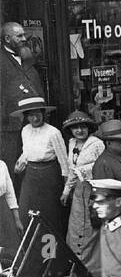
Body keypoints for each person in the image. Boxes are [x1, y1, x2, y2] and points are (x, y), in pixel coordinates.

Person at [13, 95, 68, 231]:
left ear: (43, 114)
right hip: (30, 175)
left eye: (38, 114)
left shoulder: (53, 132)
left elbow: (64, 162)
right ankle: (31, 248)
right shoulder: (25, 131)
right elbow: (27, 151)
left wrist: (67, 189)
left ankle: (52, 249)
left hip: (49, 175)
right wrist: (20, 163)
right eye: (31, 116)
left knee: (49, 213)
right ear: (26, 116)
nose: (35, 118)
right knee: (27, 210)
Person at [1, 21, 45, 176]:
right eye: (19, 36)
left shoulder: (27, 57)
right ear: (7, 39)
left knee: (34, 166)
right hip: (9, 126)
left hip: (33, 122)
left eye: (24, 35)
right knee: (12, 169)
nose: (24, 38)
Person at [62, 111, 105, 261]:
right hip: (78, 191)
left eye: (83, 127)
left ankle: (91, 263)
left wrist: (83, 171)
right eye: (75, 128)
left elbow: (102, 166)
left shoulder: (97, 143)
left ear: (89, 128)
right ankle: (77, 261)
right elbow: (71, 169)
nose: (79, 131)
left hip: (93, 188)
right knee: (76, 224)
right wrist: (67, 190)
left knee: (90, 225)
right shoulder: (72, 143)